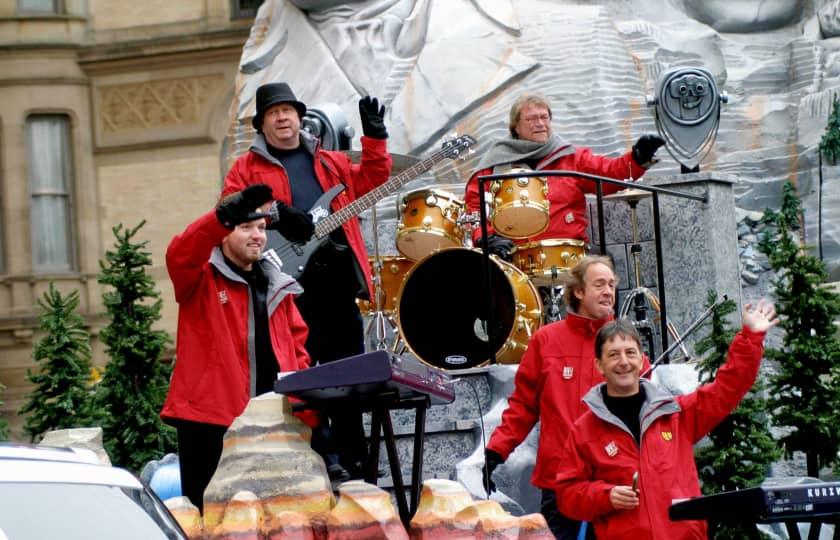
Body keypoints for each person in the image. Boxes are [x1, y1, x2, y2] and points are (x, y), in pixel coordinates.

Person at [222, 82, 393, 480]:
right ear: (262, 125)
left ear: (300, 118)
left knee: (349, 376)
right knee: (297, 378)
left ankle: (356, 463)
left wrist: (375, 139)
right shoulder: (245, 169)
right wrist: (277, 214)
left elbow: (372, 179)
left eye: (288, 111)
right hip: (285, 290)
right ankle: (319, 457)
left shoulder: (330, 162)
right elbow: (229, 209)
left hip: (337, 286)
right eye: (273, 113)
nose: (282, 118)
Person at [553, 300, 778, 539]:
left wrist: (751, 337)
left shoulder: (675, 414)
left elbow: (728, 388)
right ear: (599, 365)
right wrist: (606, 496)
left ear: (641, 359)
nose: (624, 362)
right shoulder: (584, 430)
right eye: (613, 355)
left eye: (630, 353)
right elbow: (567, 496)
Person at [160, 184, 314, 512]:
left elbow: (297, 350)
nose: (257, 235)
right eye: (246, 227)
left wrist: (305, 412)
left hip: (272, 425)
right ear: (224, 232)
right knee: (213, 521)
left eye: (261, 227)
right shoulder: (198, 277)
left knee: (273, 521)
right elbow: (180, 251)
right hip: (210, 425)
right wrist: (219, 217)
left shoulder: (278, 284)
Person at [483, 255, 649, 539]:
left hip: (616, 485)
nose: (608, 292)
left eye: (611, 284)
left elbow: (648, 410)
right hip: (562, 483)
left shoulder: (624, 346)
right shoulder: (546, 341)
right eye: (599, 284)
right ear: (579, 291)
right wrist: (496, 452)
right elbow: (523, 406)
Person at [464, 93, 665, 261]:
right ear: (515, 126)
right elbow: (473, 209)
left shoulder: (571, 157)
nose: (540, 124)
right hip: (513, 258)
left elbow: (609, 173)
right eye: (531, 119)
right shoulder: (494, 165)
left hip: (570, 255)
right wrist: (485, 237)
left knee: (602, 272)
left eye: (544, 117)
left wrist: (638, 158)